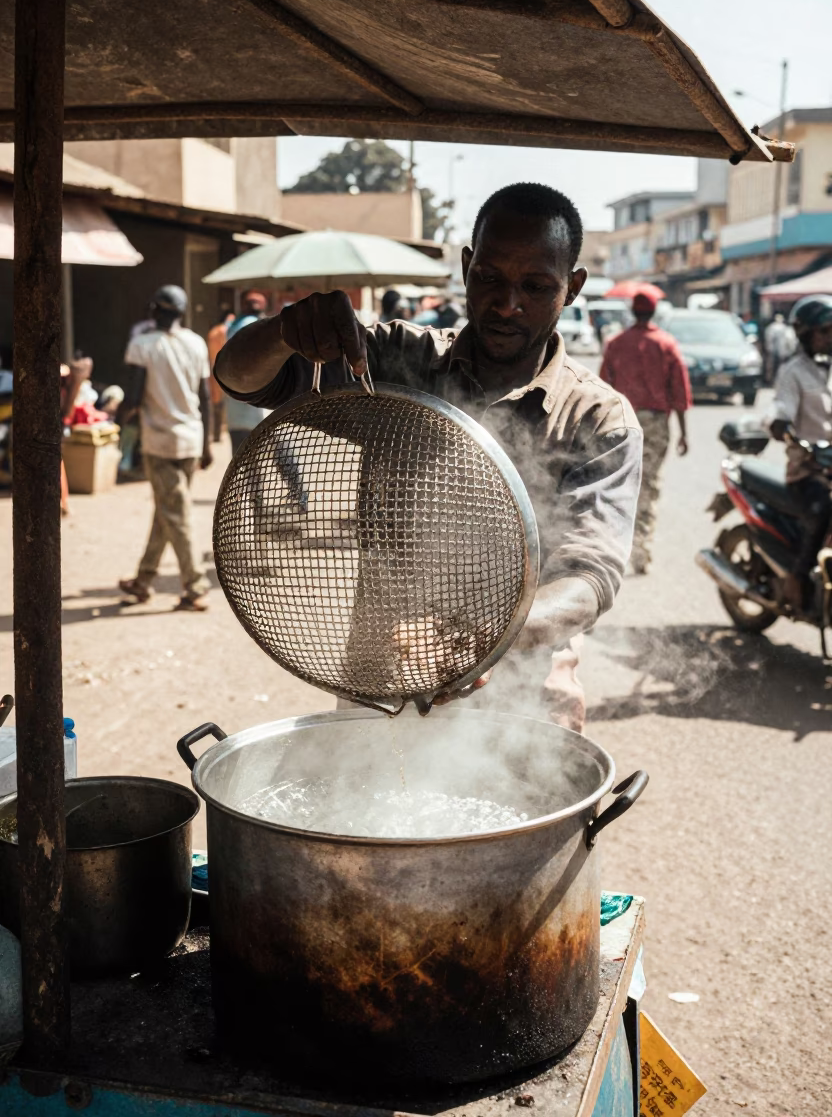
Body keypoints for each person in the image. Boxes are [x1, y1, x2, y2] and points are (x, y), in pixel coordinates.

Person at [215, 182, 642, 731]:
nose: (508, 304)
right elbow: (241, 377)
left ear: (573, 287)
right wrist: (285, 330)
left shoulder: (597, 418)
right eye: (490, 278)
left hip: (523, 703)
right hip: (379, 680)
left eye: (535, 286)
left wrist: (493, 633)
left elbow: (590, 577)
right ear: (466, 266)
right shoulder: (398, 361)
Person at [118, 285, 213, 611]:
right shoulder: (196, 343)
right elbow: (205, 398)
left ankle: (195, 586)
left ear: (155, 310)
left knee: (176, 513)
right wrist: (208, 442)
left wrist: (120, 418)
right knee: (167, 512)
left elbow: (133, 395)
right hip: (190, 439)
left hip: (159, 441)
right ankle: (143, 580)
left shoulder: (142, 345)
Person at [599, 291, 691, 575]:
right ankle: (641, 552)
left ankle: (617, 549)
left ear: (632, 312)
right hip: (655, 422)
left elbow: (601, 389)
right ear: (654, 313)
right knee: (648, 485)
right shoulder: (666, 344)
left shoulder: (616, 344)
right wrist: (684, 433)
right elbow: (680, 392)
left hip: (621, 421)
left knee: (619, 484)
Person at [768, 295, 832, 612]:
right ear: (806, 333)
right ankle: (797, 577)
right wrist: (783, 427)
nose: (830, 337)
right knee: (824, 508)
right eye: (825, 331)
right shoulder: (793, 373)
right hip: (809, 469)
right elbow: (782, 411)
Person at [225, 291, 270, 455]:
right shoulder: (258, 326)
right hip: (260, 409)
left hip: (238, 412)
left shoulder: (234, 326)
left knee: (244, 466)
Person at [207, 307, 235, 442]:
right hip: (222, 371)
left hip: (215, 371)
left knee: (218, 403)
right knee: (221, 403)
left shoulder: (214, 331)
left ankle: (217, 433)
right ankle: (219, 432)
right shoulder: (223, 331)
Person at [764, 312, 796, 384]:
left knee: (777, 367)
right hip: (778, 351)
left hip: (779, 351)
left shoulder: (778, 328)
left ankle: (776, 380)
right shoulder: (774, 328)